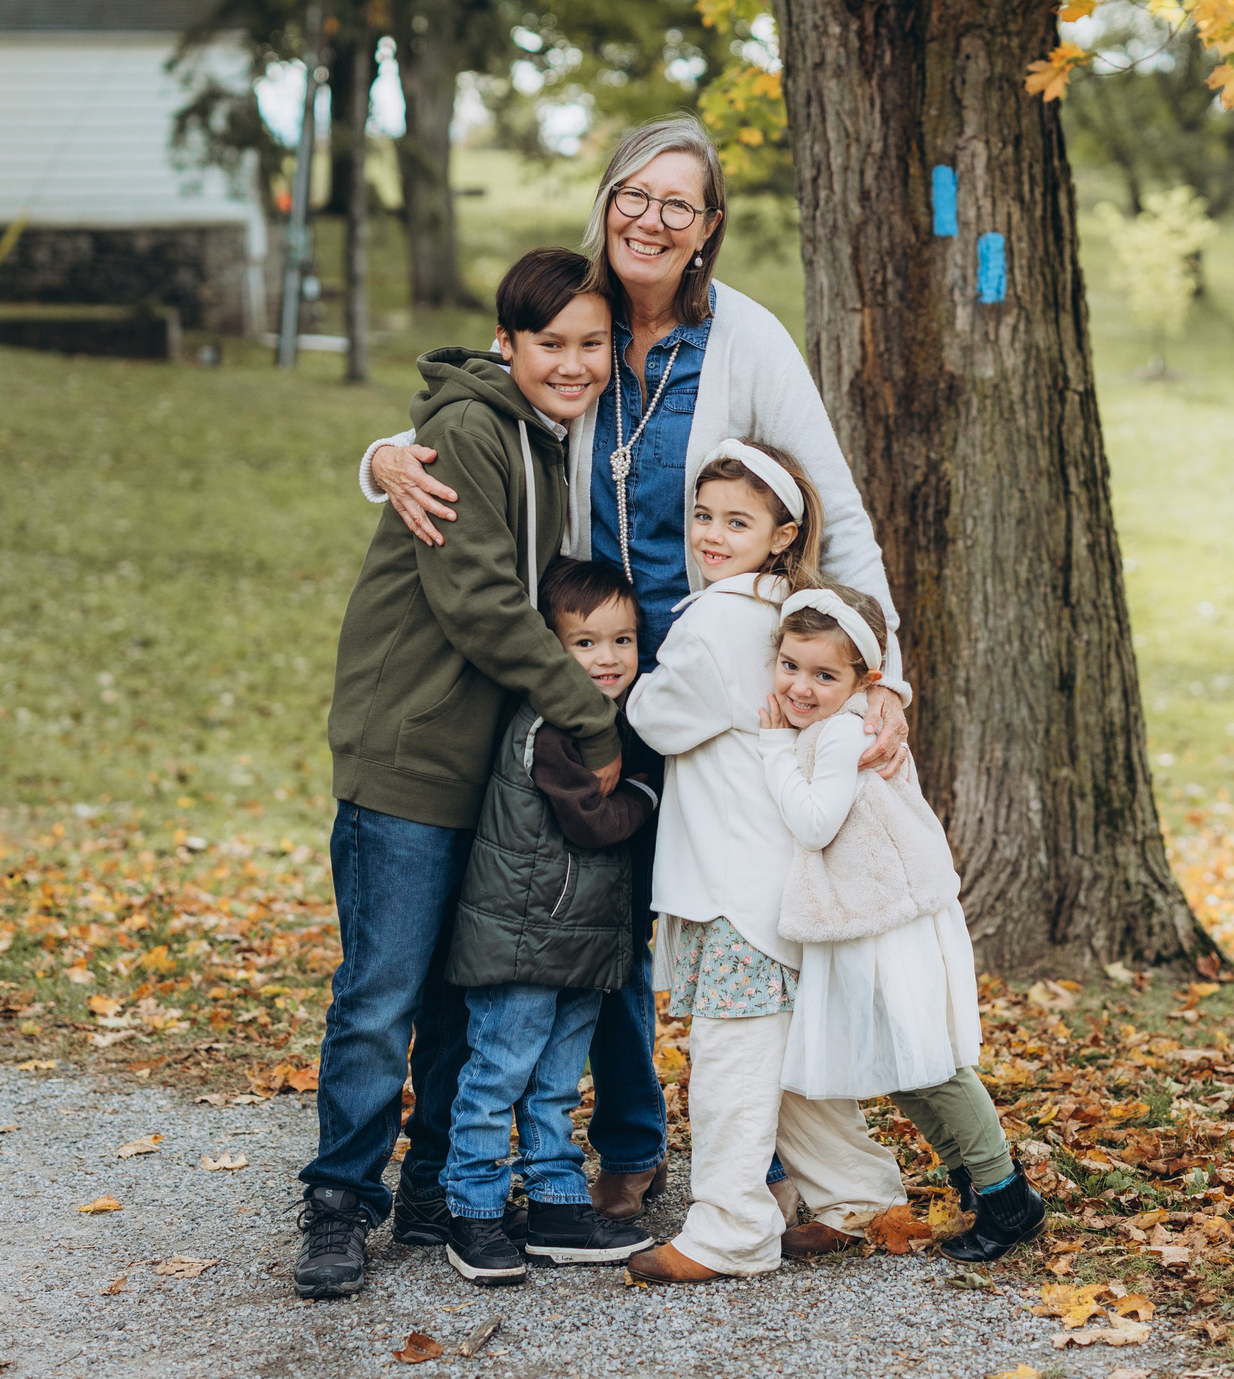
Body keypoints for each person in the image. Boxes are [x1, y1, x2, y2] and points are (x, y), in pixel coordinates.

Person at [359, 114, 915, 1219]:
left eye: (678, 203)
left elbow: (837, 512)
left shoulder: (747, 339)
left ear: (706, 228)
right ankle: (629, 1139)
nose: (650, 218)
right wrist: (377, 461)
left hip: (722, 686)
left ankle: (760, 1162)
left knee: (737, 915)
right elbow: (461, 413)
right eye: (634, 194)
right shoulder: (579, 320)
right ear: (606, 200)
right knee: (602, 905)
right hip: (587, 676)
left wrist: (883, 671)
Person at [294, 248, 625, 1300]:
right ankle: (339, 1199)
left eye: (590, 343)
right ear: (507, 344)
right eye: (550, 343)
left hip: (486, 768)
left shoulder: (552, 439)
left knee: (456, 989)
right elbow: (482, 602)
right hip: (409, 751)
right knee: (381, 992)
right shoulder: (470, 431)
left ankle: (434, 1185)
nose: (572, 363)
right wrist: (589, 717)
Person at [618, 439, 915, 1282]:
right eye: (703, 515)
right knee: (782, 1064)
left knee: (732, 1063)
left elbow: (655, 720)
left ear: (782, 534)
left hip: (733, 888)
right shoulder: (800, 617)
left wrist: (642, 681)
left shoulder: (716, 618)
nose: (711, 534)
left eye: (736, 521)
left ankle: (730, 1229)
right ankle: (861, 1200)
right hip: (778, 878)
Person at [757, 583, 1047, 1264]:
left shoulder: (838, 735)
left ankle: (1008, 1199)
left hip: (885, 928)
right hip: (874, 921)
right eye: (790, 666)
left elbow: (813, 822)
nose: (800, 687)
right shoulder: (842, 722)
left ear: (866, 680)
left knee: (934, 1067)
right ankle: (972, 1183)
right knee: (909, 1069)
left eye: (824, 675)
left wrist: (772, 750)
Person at [437, 558, 664, 1284]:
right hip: (525, 939)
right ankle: (471, 1210)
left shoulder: (606, 721)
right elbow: (592, 820)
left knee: (558, 1081)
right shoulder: (555, 726)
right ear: (550, 648)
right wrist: (648, 796)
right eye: (586, 643)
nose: (609, 658)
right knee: (499, 1073)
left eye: (623, 641)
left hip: (577, 941)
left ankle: (558, 1201)